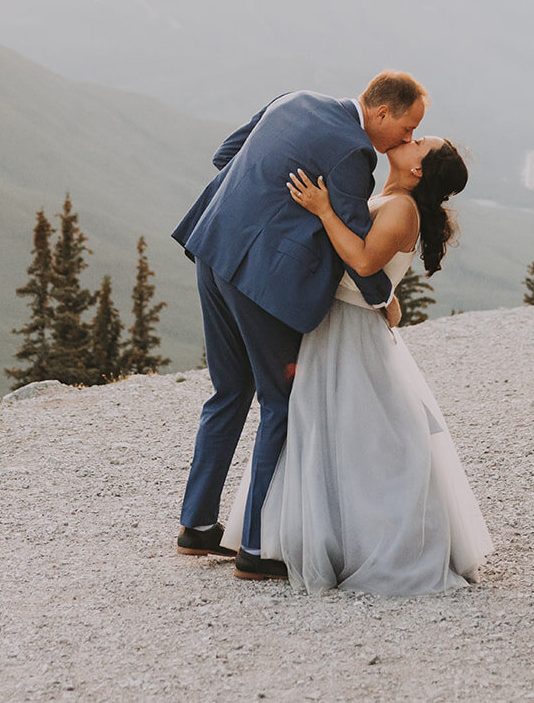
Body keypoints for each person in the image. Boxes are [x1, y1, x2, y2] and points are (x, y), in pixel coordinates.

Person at [173, 71, 428, 580]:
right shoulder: (356, 153)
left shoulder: (295, 98)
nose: (405, 139)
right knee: (281, 402)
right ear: (381, 114)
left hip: (214, 246)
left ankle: (196, 527)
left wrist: (260, 205)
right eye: (406, 128)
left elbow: (227, 154)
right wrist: (385, 303)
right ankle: (257, 547)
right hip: (257, 277)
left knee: (229, 389)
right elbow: (360, 252)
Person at [221, 136, 493, 594]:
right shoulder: (392, 199)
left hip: (351, 329)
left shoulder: (403, 207)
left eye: (421, 142)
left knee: (357, 434)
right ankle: (314, 534)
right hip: (335, 322)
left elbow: (365, 262)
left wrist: (324, 210)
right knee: (328, 430)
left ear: (420, 170)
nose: (411, 138)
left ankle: (366, 541)